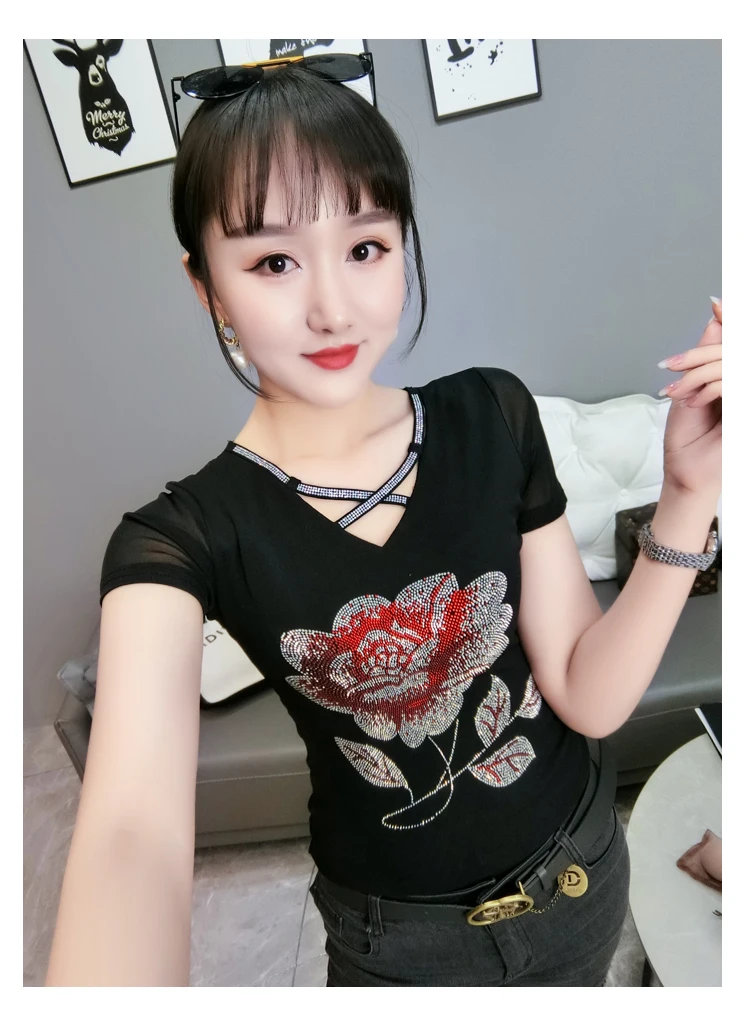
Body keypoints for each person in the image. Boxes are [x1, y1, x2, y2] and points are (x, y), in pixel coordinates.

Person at [44, 54, 723, 988]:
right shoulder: (179, 540)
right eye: (273, 261)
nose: (333, 308)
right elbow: (132, 834)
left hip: (580, 877)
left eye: (365, 247)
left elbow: (587, 691)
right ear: (206, 286)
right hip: (401, 952)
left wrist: (690, 493)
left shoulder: (492, 415)